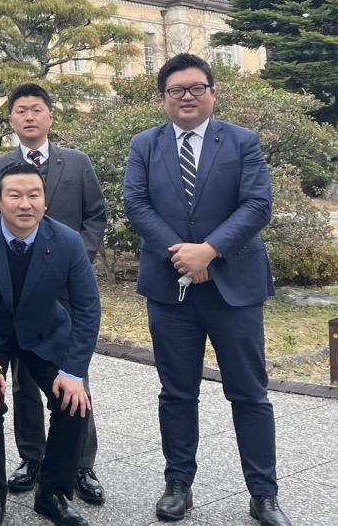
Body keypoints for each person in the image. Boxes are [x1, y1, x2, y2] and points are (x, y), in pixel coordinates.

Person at [124, 54, 291, 526]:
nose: (187, 96)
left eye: (197, 88)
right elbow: (136, 203)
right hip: (170, 290)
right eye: (176, 90)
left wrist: (210, 251)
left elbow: (257, 205)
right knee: (177, 392)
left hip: (234, 288)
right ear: (163, 98)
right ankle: (178, 484)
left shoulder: (242, 141)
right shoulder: (145, 144)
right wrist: (184, 255)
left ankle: (264, 494)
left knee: (250, 394)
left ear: (213, 93)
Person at [0, 84, 106, 505]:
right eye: (21, 110)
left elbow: (95, 215)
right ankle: (32, 457)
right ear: (11, 120)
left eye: (37, 109)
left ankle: (79, 464)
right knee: (22, 380)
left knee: (72, 377)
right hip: (16, 292)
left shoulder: (77, 162)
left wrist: (73, 262)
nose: (30, 117)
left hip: (67, 285)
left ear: (51, 116)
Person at [0, 162, 100, 526]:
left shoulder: (66, 241)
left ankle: (52, 494)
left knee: (74, 403)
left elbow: (88, 308)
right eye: (15, 195)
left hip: (44, 332)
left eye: (34, 195)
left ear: (45, 201)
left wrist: (74, 372)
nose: (25, 204)